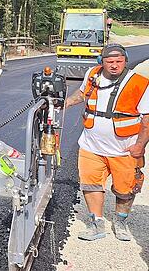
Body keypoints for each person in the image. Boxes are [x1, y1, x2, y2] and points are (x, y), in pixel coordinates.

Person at [64, 44, 149, 241]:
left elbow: (147, 120)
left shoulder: (140, 83)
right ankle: (97, 224)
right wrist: (67, 102)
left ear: (125, 61)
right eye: (109, 61)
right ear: (101, 62)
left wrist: (140, 146)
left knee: (126, 189)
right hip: (90, 146)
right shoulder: (92, 74)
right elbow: (82, 93)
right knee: (90, 185)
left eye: (119, 61)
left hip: (124, 150)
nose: (114, 66)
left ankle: (120, 222)